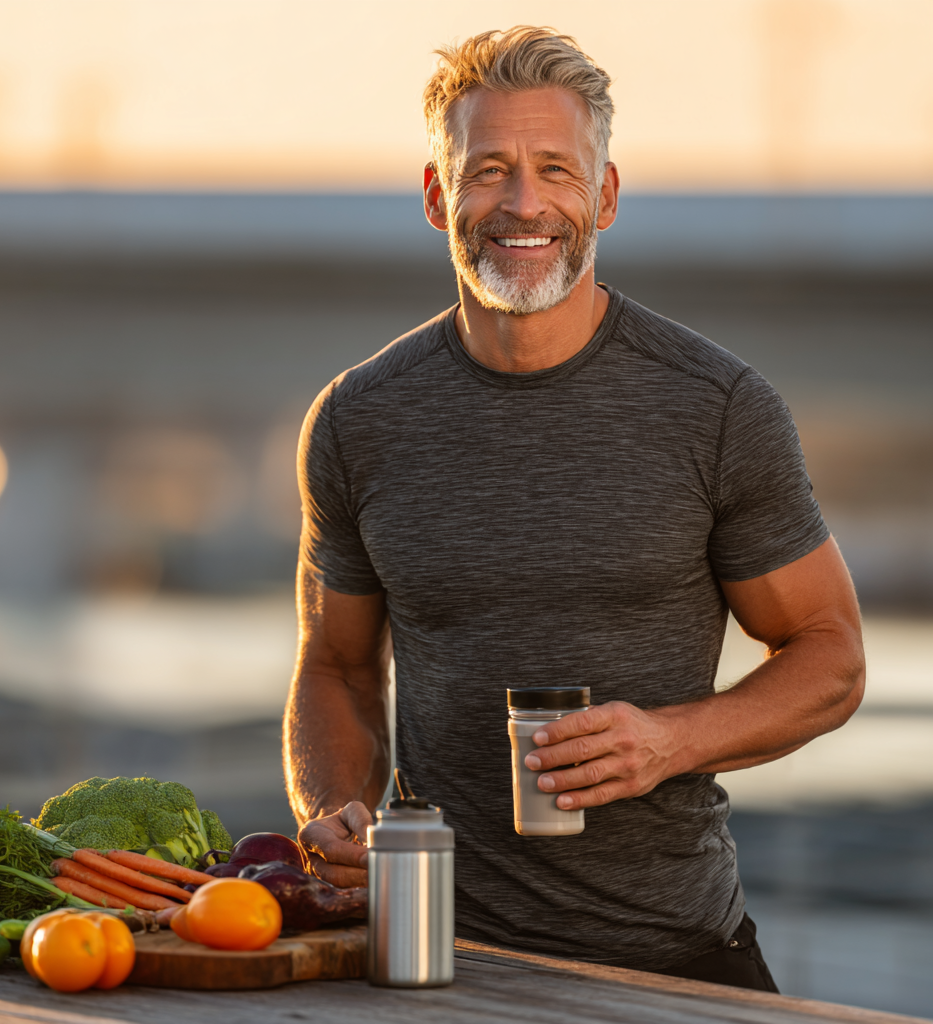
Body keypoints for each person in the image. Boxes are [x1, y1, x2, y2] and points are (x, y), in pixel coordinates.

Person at [283, 26, 864, 991]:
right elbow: (337, 667)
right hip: (436, 960)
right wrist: (336, 816)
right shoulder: (358, 420)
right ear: (438, 197)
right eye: (488, 171)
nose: (523, 203)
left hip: (678, 966)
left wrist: (669, 741)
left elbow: (831, 657)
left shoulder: (716, 407)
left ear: (604, 195)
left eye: (557, 169)